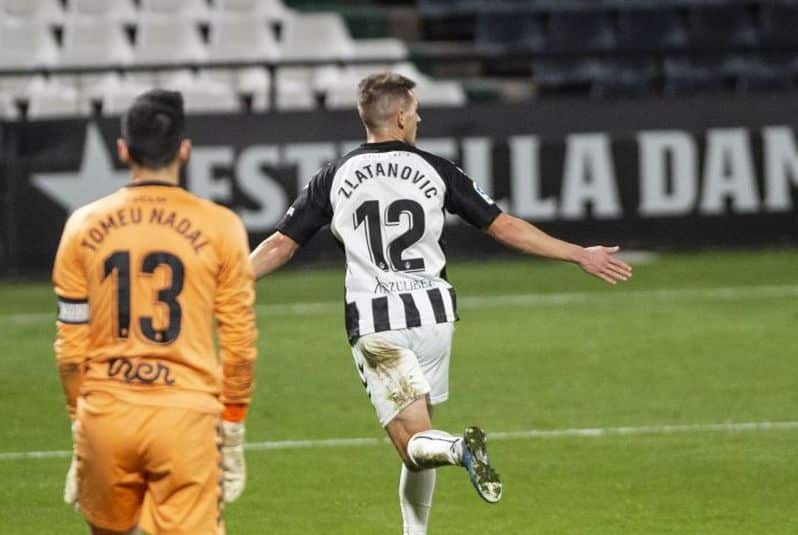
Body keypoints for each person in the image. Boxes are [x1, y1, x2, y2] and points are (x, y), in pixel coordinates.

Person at [249, 73, 632, 534]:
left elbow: (280, 245)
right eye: (414, 110)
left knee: (415, 443)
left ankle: (459, 450)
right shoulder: (436, 169)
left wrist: (227, 279)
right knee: (419, 440)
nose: (419, 117)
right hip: (434, 316)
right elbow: (502, 225)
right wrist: (577, 253)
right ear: (399, 117)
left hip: (378, 324)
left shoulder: (334, 176)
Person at [53, 89, 258, 535]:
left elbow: (70, 350)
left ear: (123, 149)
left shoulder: (82, 226)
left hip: (105, 415)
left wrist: (79, 422)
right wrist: (234, 428)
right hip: (186, 419)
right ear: (184, 150)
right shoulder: (221, 225)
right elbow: (239, 345)